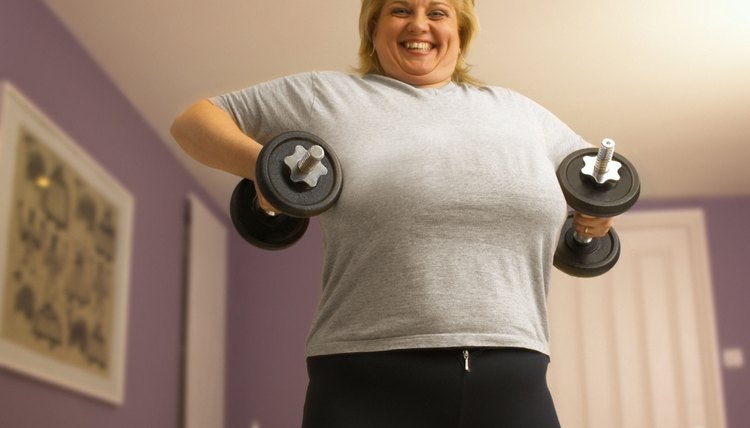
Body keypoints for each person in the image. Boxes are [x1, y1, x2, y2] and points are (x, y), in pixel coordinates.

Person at [171, 0, 615, 426]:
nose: (419, 24)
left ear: (459, 33)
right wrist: (267, 172)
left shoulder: (522, 116)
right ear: (372, 28)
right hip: (364, 376)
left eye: (437, 12)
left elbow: (599, 184)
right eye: (400, 10)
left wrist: (596, 218)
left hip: (513, 375)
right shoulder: (326, 96)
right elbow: (194, 123)